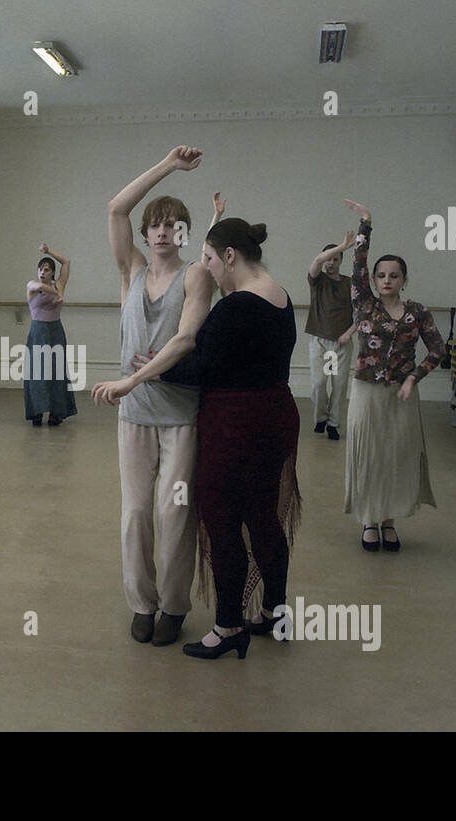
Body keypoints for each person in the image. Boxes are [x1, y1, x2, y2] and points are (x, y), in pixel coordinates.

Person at [95, 218, 301, 661]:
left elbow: (204, 366)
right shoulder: (280, 297)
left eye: (209, 258)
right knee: (264, 518)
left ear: (229, 256)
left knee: (223, 524)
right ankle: (273, 611)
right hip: (276, 414)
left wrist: (150, 370)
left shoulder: (234, 307)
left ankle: (228, 627)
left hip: (234, 424)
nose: (205, 268)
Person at [100, 146, 215, 647]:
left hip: (180, 415)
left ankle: (173, 604)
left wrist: (131, 381)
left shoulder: (196, 276)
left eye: (174, 225)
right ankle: (141, 602)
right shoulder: (132, 271)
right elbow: (115, 208)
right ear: (146, 233)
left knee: (174, 512)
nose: (164, 232)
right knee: (136, 513)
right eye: (157, 225)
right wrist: (168, 165)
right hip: (135, 417)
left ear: (186, 234)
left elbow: (186, 339)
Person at [342, 199, 446, 551]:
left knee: (397, 457)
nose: (387, 280)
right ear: (373, 280)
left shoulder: (417, 312)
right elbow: (356, 265)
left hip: (402, 393)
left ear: (404, 279)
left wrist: (415, 377)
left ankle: (389, 522)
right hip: (367, 392)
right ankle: (370, 520)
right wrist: (366, 224)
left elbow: (437, 350)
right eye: (381, 275)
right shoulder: (364, 303)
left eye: (394, 275)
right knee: (370, 455)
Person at [306, 235, 358, 440]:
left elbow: (362, 313)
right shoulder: (317, 280)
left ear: (341, 261)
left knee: (338, 385)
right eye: (329, 258)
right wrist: (342, 246)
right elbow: (317, 262)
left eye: (336, 259)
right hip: (319, 341)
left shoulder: (349, 284)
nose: (331, 262)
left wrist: (348, 333)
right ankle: (320, 417)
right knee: (319, 383)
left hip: (341, 344)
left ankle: (333, 424)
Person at [23, 243, 77, 426]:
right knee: (37, 372)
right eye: (40, 269)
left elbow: (67, 262)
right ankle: (37, 412)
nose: (42, 273)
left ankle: (57, 412)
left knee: (56, 372)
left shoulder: (60, 283)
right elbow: (40, 286)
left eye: (46, 270)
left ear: (52, 273)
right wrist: (56, 292)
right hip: (38, 332)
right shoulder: (32, 285)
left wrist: (49, 252)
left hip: (55, 331)